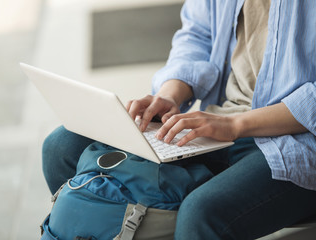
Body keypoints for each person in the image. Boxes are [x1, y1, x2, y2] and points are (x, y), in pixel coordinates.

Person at [42, 0, 316, 239]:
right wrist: (170, 95)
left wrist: (235, 124)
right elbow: (198, 34)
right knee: (62, 146)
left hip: (295, 140)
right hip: (220, 120)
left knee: (201, 213)